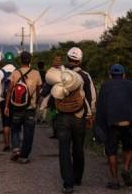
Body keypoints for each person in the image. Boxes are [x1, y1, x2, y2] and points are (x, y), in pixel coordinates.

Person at [95, 64, 132, 190]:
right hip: (128, 124)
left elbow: (100, 107)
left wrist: (99, 127)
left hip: (112, 125)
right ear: (124, 75)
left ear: (110, 75)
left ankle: (115, 180)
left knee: (111, 152)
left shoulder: (105, 85)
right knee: (128, 148)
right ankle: (126, 169)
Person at [55, 47, 96, 194]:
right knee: (78, 148)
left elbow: (48, 92)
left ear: (68, 58)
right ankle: (77, 177)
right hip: (79, 117)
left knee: (64, 149)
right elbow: (91, 97)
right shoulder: (85, 75)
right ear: (80, 60)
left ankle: (68, 183)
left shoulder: (59, 73)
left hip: (62, 117)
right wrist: (90, 116)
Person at [4, 51, 42, 164]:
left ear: (20, 60)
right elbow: (39, 90)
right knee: (28, 133)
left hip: (16, 108)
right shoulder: (36, 73)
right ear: (30, 60)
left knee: (15, 129)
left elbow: (9, 90)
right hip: (30, 109)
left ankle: (16, 150)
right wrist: (36, 102)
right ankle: (24, 156)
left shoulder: (15, 73)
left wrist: (6, 106)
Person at [0, 52, 16, 151]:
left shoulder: (0, 72)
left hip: (4, 100)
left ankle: (7, 144)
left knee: (6, 123)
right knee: (15, 123)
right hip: (16, 100)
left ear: (4, 61)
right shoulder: (17, 72)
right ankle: (15, 144)